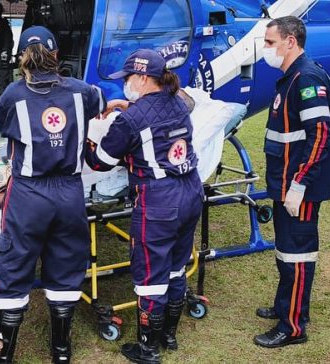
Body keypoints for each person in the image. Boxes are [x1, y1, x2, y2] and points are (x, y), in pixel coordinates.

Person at [0, 26, 104, 364]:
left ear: (22, 58)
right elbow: (103, 102)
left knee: (15, 263)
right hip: (70, 190)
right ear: (57, 55)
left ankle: (3, 354)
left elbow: (3, 128)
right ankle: (61, 351)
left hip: (29, 192)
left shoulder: (13, 95)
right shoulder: (82, 92)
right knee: (67, 261)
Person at [85, 49, 204, 364]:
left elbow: (100, 163)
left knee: (150, 276)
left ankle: (148, 350)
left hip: (158, 200)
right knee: (176, 266)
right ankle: (168, 335)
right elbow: (158, 116)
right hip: (191, 190)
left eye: (127, 78)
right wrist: (131, 108)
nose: (125, 83)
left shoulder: (131, 119)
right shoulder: (179, 101)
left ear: (141, 77)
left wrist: (90, 137)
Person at [254, 16, 330, 348]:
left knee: (297, 254)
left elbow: (320, 137)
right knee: (284, 251)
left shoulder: (307, 79)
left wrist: (300, 185)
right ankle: (284, 307)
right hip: (284, 183)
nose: (266, 49)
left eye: (270, 42)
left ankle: (293, 327)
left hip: (298, 188)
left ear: (291, 41)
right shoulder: (290, 78)